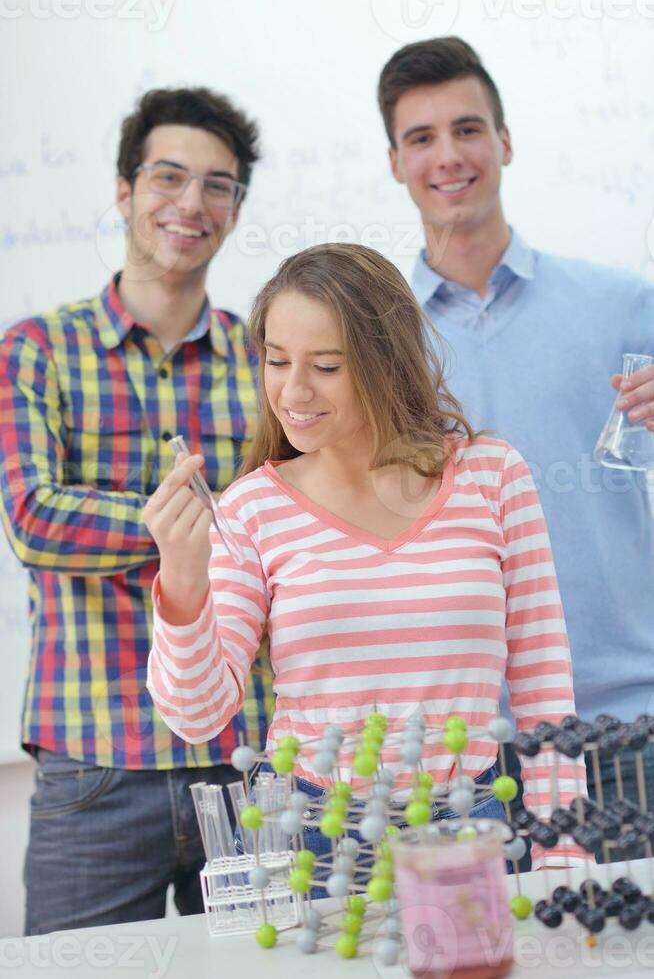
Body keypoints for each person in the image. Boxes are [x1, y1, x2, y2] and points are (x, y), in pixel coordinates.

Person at [144, 242, 587, 870]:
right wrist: (183, 584)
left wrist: (563, 848)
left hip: (470, 820)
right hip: (311, 835)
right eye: (276, 360)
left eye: (326, 366)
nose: (293, 390)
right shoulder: (251, 510)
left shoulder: (493, 476)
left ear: (385, 365)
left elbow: (542, 680)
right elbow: (198, 715)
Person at [0, 87, 273, 935]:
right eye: (168, 177)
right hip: (95, 762)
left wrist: (189, 528)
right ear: (125, 191)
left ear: (234, 209)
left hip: (249, 760)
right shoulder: (35, 350)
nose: (191, 204)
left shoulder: (269, 356)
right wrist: (203, 522)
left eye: (218, 185)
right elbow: (35, 521)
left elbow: (297, 521)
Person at [377, 37, 654, 833]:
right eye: (421, 138)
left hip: (624, 723)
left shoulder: (622, 303)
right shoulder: (372, 342)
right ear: (395, 162)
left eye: (468, 129)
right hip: (456, 749)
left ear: (504, 141)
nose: (449, 155)